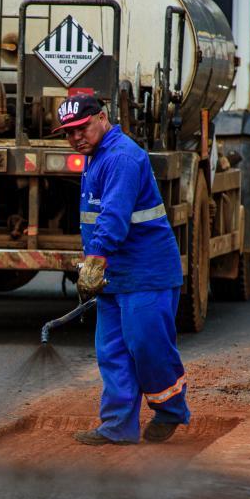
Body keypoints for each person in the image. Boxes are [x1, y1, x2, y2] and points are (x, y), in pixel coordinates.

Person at [54, 93, 190, 445]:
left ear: (102, 117)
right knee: (111, 350)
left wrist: (95, 259)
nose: (75, 137)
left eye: (81, 128)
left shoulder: (122, 157)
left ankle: (170, 409)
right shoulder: (96, 156)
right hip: (116, 274)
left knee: (147, 345)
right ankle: (117, 426)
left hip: (147, 272)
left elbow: (113, 215)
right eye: (68, 132)